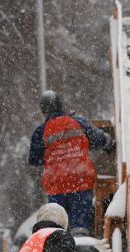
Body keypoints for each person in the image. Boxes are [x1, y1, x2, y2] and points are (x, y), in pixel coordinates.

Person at [29, 90, 113, 237]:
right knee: (80, 227)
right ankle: (81, 247)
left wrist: (54, 154)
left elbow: (34, 159)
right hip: (80, 182)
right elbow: (98, 139)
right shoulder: (78, 122)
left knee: (58, 227)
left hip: (56, 186)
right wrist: (109, 143)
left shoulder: (41, 131)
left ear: (43, 111)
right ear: (61, 106)